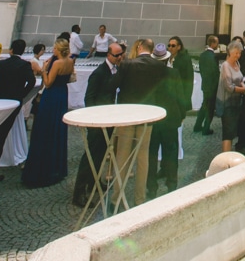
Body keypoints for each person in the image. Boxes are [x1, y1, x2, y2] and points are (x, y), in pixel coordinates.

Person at [111, 37, 169, 206]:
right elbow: (162, 92)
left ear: (140, 47)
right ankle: (139, 199)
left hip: (127, 115)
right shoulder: (160, 66)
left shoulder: (128, 64)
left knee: (122, 156)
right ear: (151, 50)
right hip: (147, 116)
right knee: (143, 157)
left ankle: (116, 198)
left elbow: (114, 84)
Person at [72, 41, 124, 207]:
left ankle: (94, 182)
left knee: (101, 154)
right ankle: (79, 192)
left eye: (121, 54)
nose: (120, 58)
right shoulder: (99, 73)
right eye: (117, 55)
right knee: (90, 156)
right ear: (109, 55)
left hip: (107, 119)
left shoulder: (112, 70)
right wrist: (93, 119)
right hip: (97, 121)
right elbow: (90, 97)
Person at [22, 38, 74, 188]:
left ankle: (40, 168)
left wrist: (44, 69)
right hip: (62, 94)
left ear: (59, 49)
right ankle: (56, 166)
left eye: (55, 48)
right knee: (57, 128)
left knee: (44, 127)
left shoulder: (57, 63)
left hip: (51, 96)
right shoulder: (70, 61)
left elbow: (48, 83)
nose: (53, 50)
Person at [0, 39, 36, 181]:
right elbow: (32, 82)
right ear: (22, 51)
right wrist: (20, 95)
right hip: (12, 102)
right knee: (1, 138)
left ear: (10, 50)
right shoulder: (24, 65)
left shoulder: (1, 63)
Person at [146, 44, 182, 198]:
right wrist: (180, 115)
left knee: (151, 154)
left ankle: (152, 187)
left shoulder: (148, 75)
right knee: (171, 152)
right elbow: (180, 95)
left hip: (153, 119)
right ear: (167, 58)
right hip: (170, 119)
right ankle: (172, 183)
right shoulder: (173, 73)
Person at [217, 39, 245, 153]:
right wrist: (243, 89)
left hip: (236, 103)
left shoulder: (237, 63)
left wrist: (242, 84)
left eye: (239, 53)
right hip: (227, 104)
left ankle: (229, 156)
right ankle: (226, 159)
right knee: (227, 133)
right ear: (230, 52)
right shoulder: (225, 66)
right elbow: (229, 87)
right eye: (236, 53)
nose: (238, 55)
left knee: (232, 132)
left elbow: (239, 78)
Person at [193, 35, 219, 134]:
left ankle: (198, 125)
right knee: (210, 108)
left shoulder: (203, 55)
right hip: (212, 86)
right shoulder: (213, 56)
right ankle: (206, 128)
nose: (217, 45)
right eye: (217, 43)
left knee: (204, 106)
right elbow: (215, 73)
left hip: (205, 84)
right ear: (213, 43)